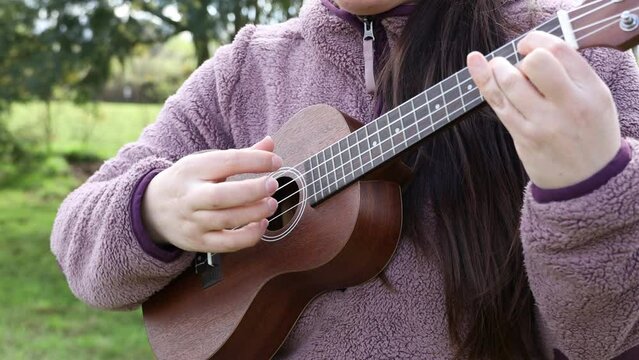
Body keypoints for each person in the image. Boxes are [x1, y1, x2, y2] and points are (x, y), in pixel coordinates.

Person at [51, 0, 639, 358]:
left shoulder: (565, 62)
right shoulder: (243, 72)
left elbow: (612, 336)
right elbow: (78, 244)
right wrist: (153, 209)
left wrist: (587, 190)